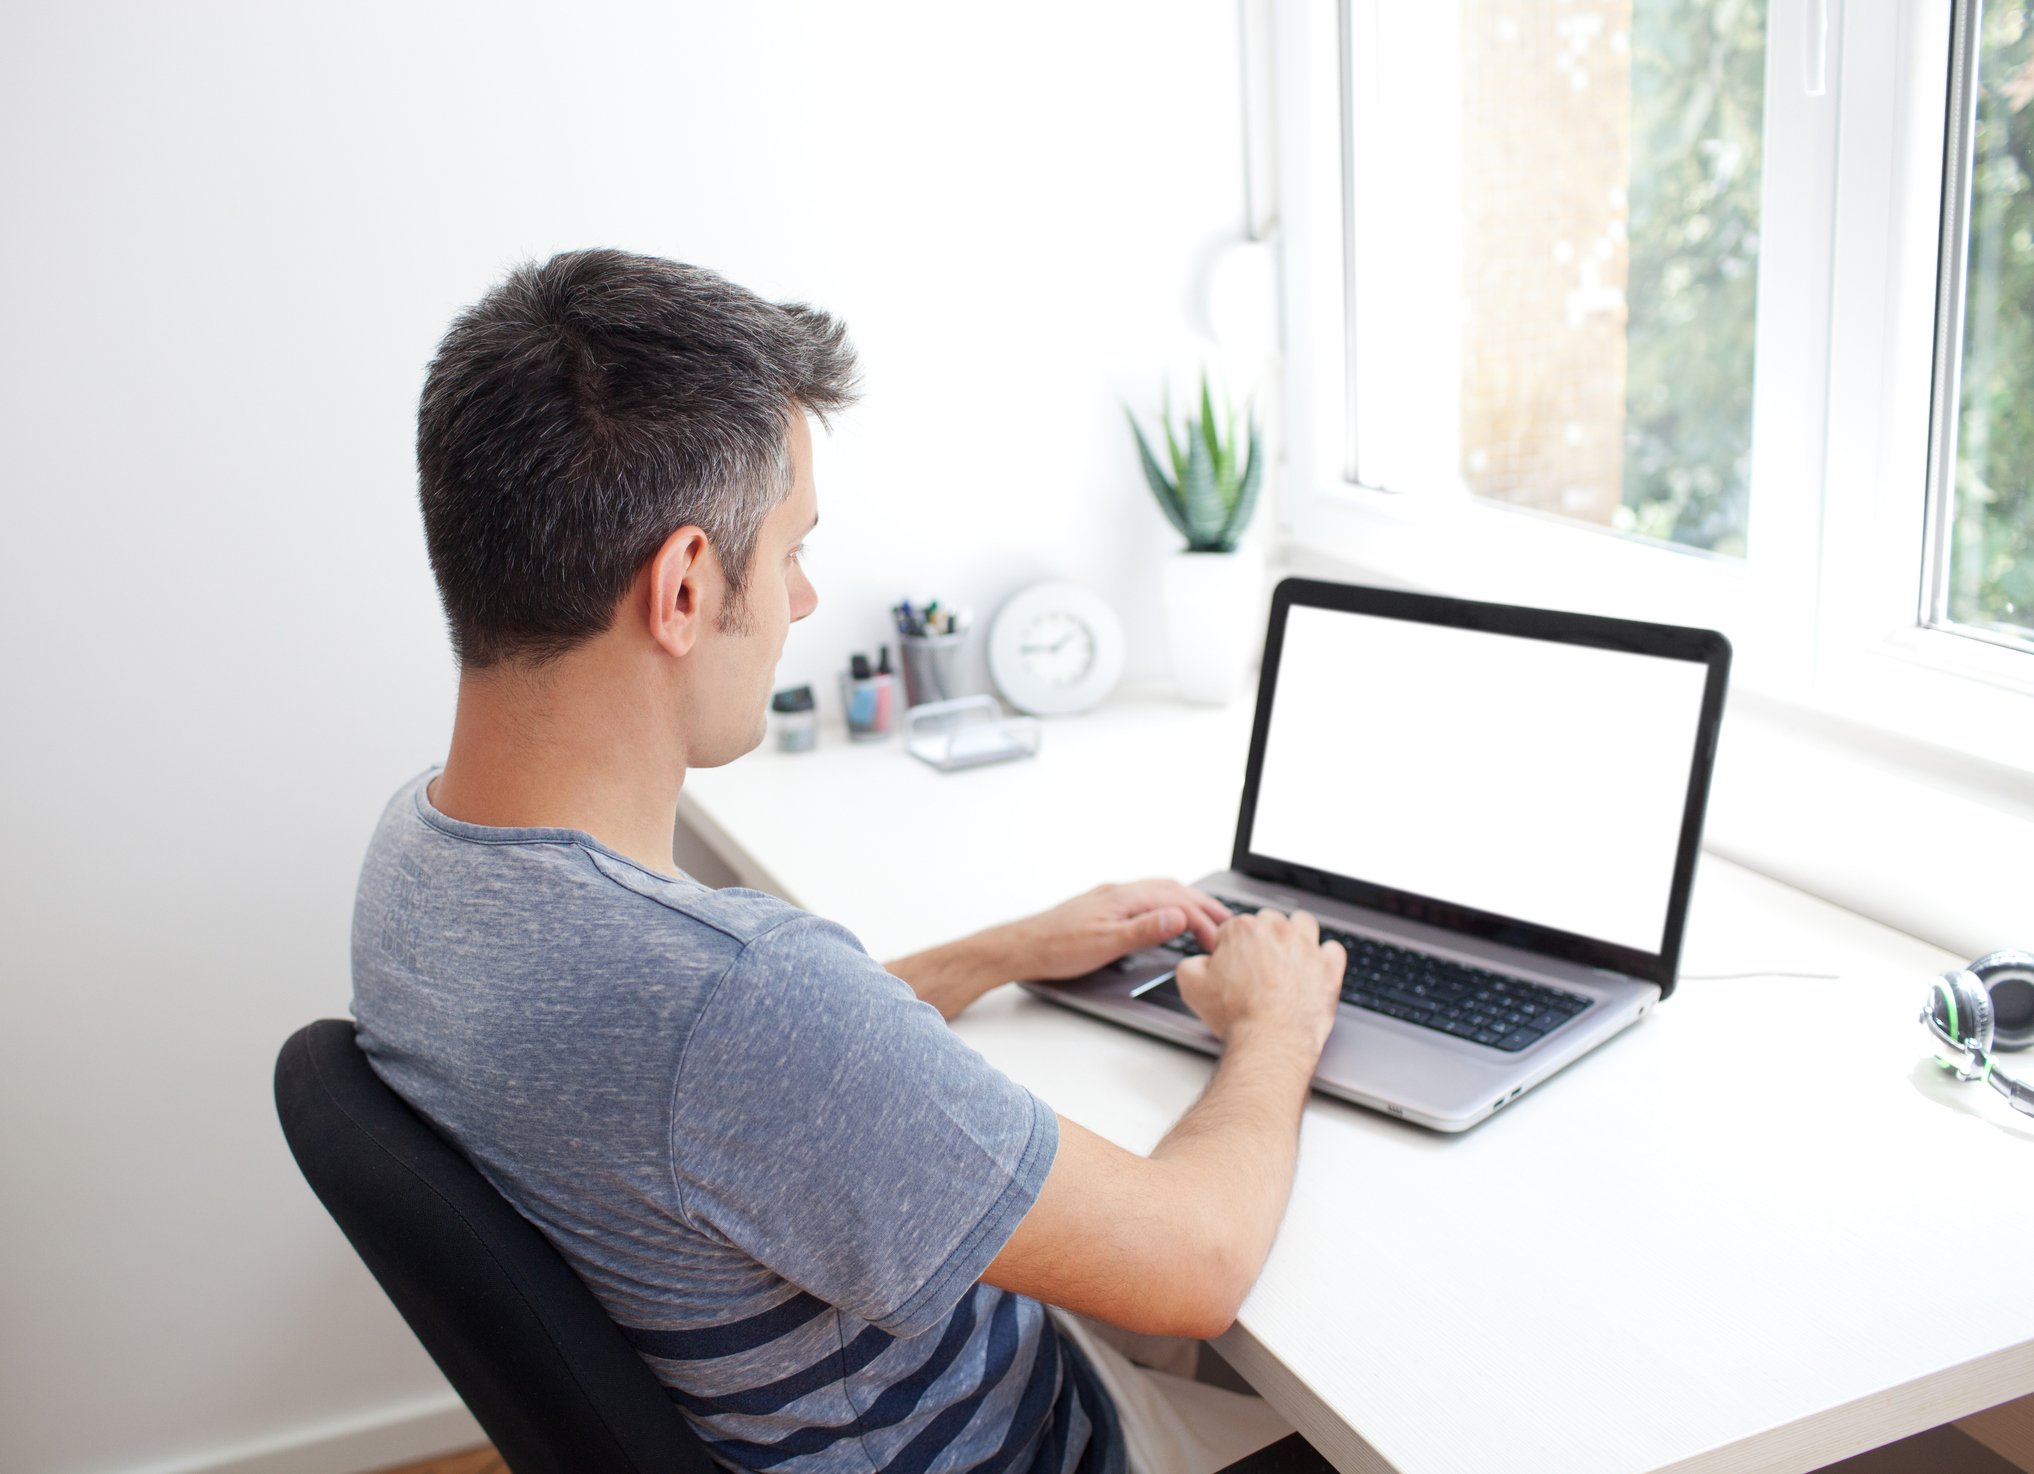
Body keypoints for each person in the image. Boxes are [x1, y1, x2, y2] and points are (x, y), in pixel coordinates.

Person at [351, 249, 1346, 1474]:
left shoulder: (423, 856)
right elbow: (1196, 1264)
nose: (806, 598)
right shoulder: (739, 1004)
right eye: (789, 553)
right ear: (682, 587)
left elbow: (712, 1101)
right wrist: (1279, 1023)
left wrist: (1006, 950)